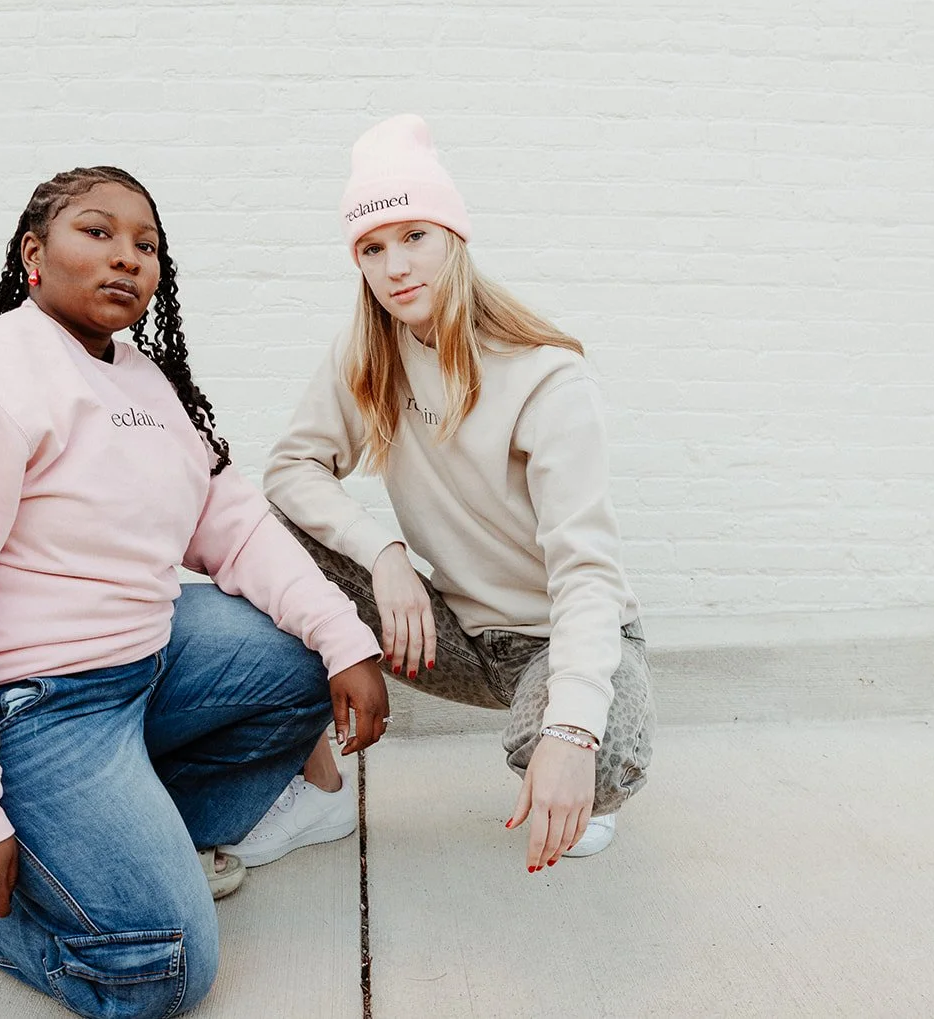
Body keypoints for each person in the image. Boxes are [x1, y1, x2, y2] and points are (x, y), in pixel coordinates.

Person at [0, 165, 389, 1019]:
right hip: (26, 709)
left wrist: (345, 635)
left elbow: (238, 527)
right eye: (96, 232)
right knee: (163, 970)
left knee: (300, 657)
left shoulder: (148, 383)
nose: (128, 258)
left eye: (146, 244)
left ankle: (126, 842)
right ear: (33, 254)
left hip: (141, 669)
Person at [234, 115, 653, 877]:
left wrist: (570, 734)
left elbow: (587, 574)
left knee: (591, 751)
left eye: (414, 235)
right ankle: (318, 788)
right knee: (264, 532)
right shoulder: (368, 352)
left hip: (558, 637)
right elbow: (291, 470)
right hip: (449, 633)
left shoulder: (546, 377)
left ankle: (577, 764)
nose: (395, 266)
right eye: (372, 247)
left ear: (454, 236)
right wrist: (382, 551)